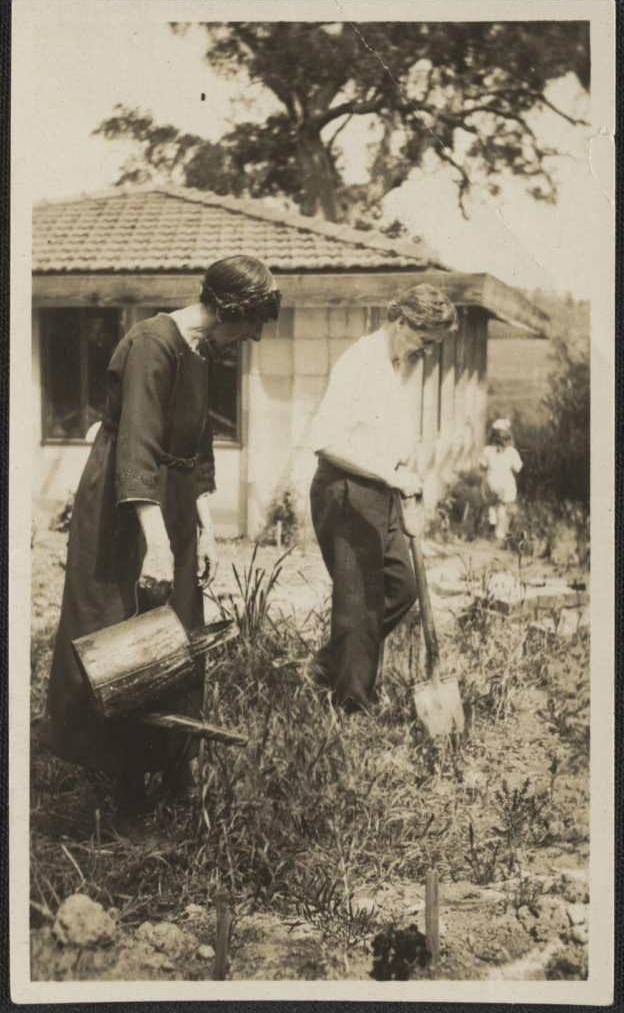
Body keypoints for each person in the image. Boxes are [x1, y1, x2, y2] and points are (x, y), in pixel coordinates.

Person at [41, 256, 281, 818]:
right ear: (228, 309)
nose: (255, 336)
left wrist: (207, 530)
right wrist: (155, 539)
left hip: (169, 508)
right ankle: (125, 780)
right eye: (253, 322)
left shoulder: (199, 352)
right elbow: (137, 448)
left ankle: (174, 765)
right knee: (125, 636)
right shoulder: (153, 342)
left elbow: (196, 452)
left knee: (177, 632)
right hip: (123, 512)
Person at [307, 284, 457, 713]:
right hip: (348, 492)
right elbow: (326, 441)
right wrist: (388, 474)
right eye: (425, 342)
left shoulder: (391, 364)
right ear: (402, 322)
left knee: (401, 587)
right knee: (359, 602)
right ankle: (351, 707)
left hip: (383, 493)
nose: (426, 353)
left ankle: (327, 666)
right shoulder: (362, 362)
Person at [479, 418, 523, 541]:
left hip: (490, 481)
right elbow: (518, 468)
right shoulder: (511, 452)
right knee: (503, 505)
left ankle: (492, 518)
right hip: (505, 482)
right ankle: (499, 531)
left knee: (491, 500)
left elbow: (482, 465)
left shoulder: (487, 450)